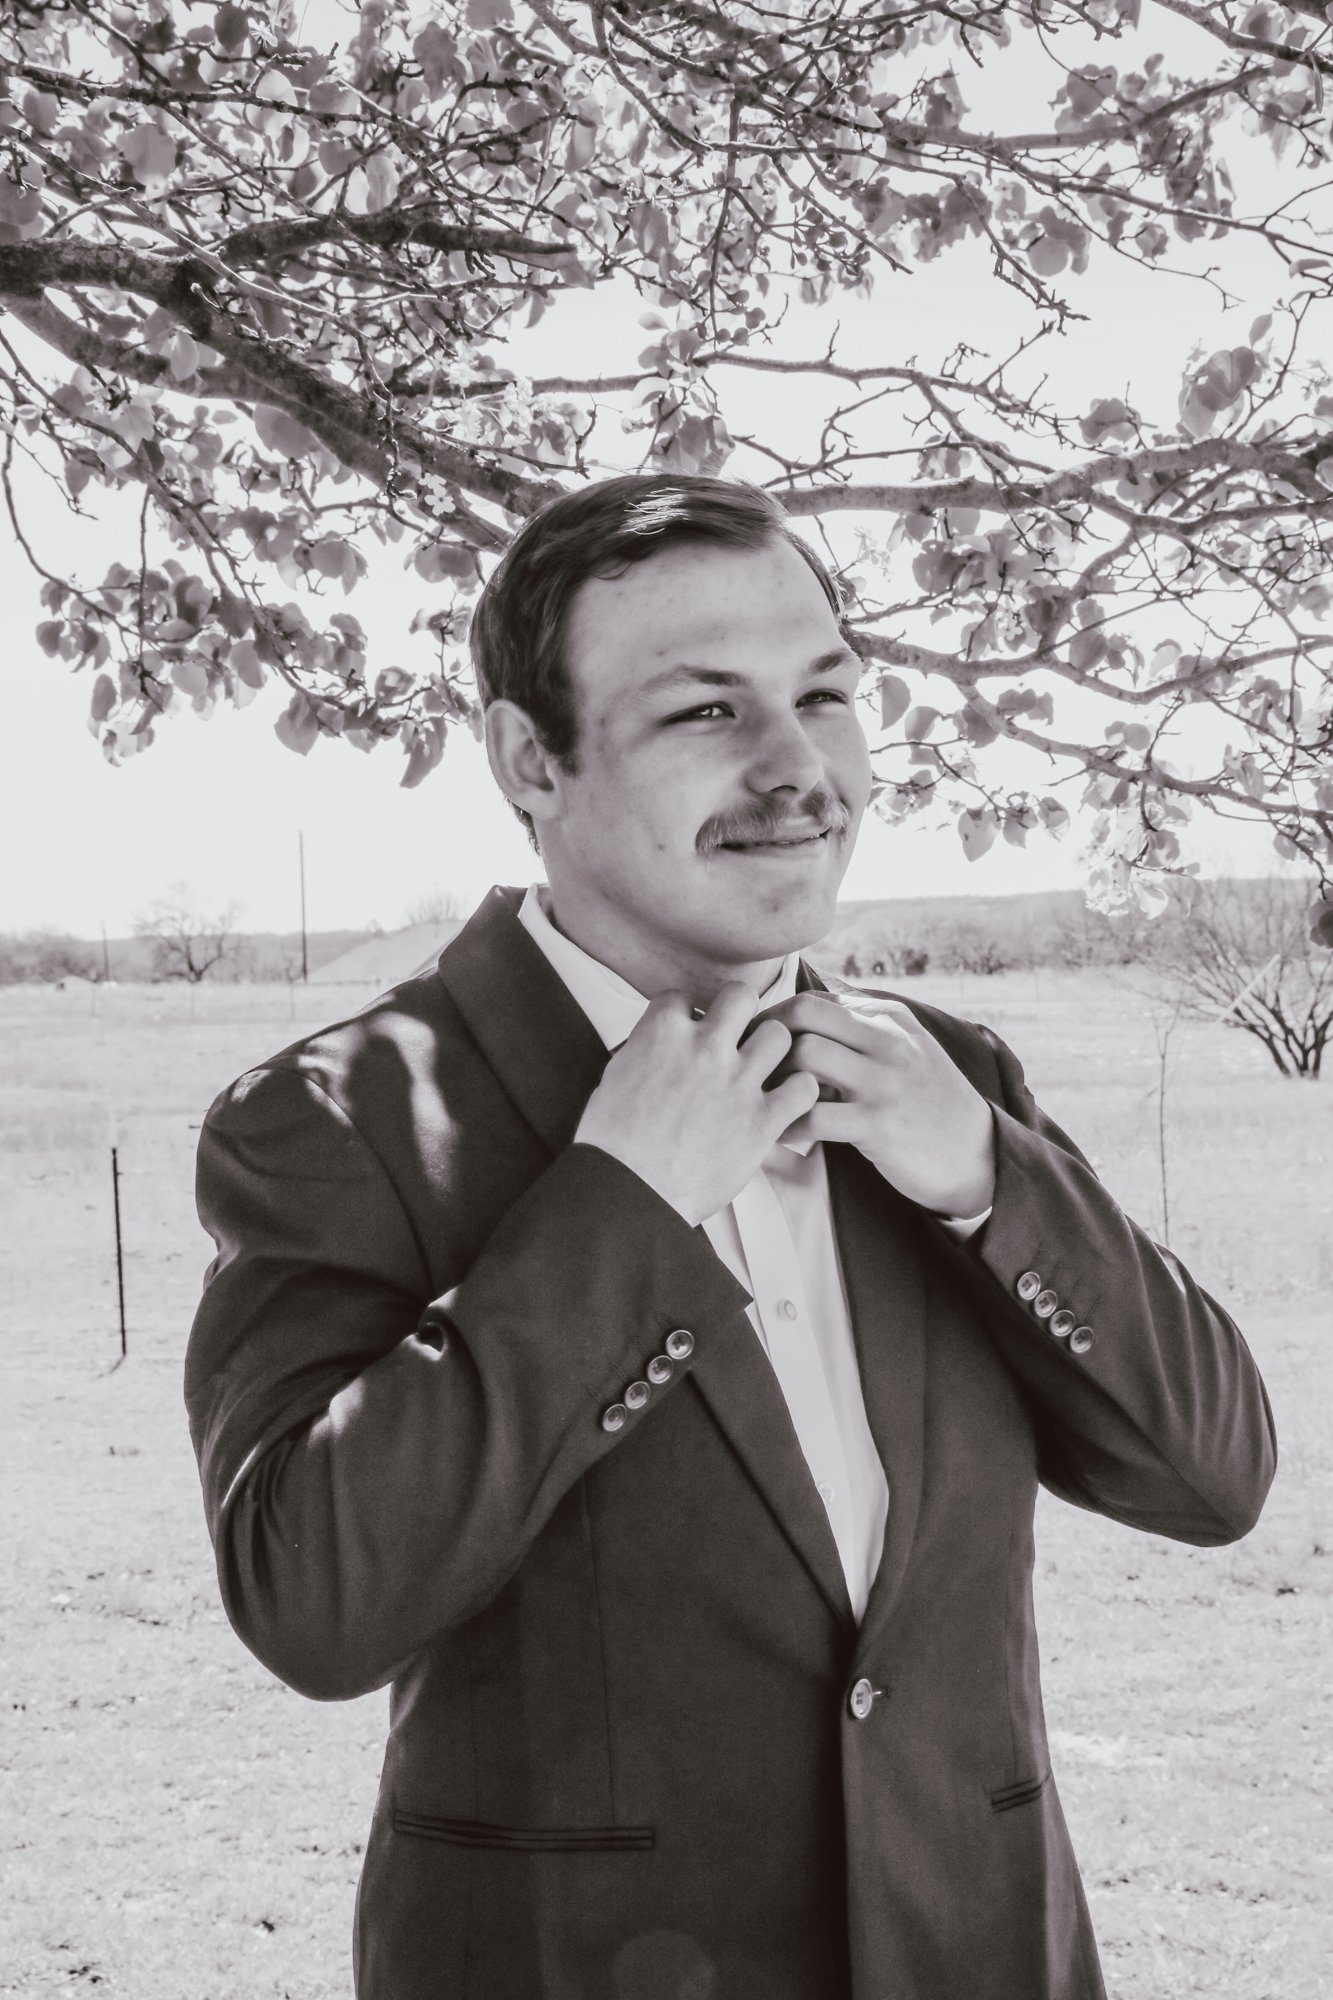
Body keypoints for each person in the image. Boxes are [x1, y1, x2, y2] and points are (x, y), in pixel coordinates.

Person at [185, 474, 1276, 2000]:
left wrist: (981, 1174)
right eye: (705, 710)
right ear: (530, 760)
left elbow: (1210, 1481)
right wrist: (621, 1205)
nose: (797, 769)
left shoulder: (950, 1078)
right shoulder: (340, 1116)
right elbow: (315, 1605)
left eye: (824, 695)